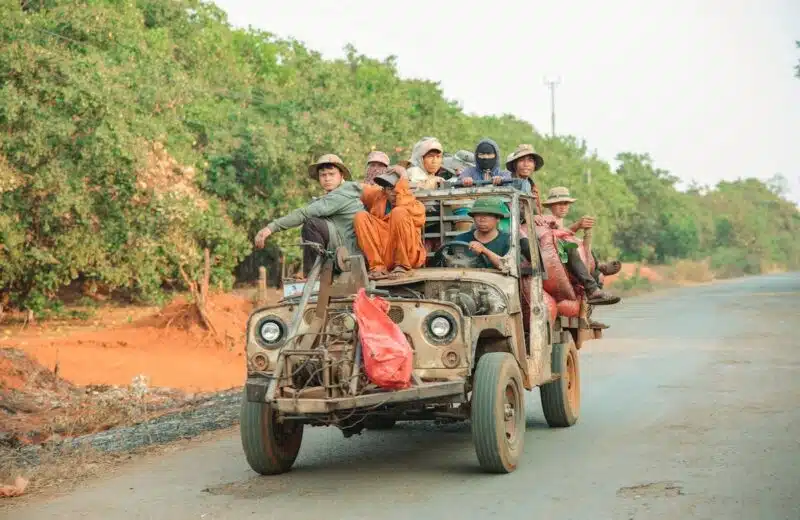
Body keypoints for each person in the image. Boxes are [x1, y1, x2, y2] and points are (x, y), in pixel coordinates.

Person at [254, 154, 365, 277]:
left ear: (341, 176)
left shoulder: (342, 194)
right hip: (339, 246)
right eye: (323, 175)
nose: (327, 178)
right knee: (312, 226)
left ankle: (313, 274)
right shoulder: (328, 197)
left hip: (351, 253)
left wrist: (270, 228)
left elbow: (304, 213)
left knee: (312, 224)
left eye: (331, 174)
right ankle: (312, 272)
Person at [539, 187, 621, 305]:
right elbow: (552, 237)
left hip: (564, 255)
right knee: (570, 248)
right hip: (552, 257)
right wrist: (577, 226)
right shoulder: (546, 219)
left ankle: (597, 269)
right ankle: (592, 287)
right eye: (559, 204)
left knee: (582, 246)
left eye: (566, 204)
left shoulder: (561, 221)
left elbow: (564, 232)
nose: (563, 207)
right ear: (551, 206)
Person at [353, 165, 427, 280]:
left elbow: (404, 204)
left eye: (397, 187)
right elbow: (359, 189)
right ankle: (377, 268)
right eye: (389, 188)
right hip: (386, 255)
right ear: (384, 190)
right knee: (360, 216)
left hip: (409, 256)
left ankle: (403, 267)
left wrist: (404, 176)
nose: (394, 192)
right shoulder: (379, 198)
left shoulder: (416, 206)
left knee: (398, 212)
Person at [451, 198, 532, 270]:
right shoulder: (460, 240)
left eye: (488, 215)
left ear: (498, 219)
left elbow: (508, 267)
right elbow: (446, 265)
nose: (482, 219)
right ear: (473, 218)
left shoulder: (509, 241)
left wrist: (484, 250)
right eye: (478, 214)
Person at [506, 144, 545, 212]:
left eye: (530, 160)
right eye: (521, 160)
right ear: (515, 164)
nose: (526, 164)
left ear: (534, 165)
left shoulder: (532, 188)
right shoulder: (505, 184)